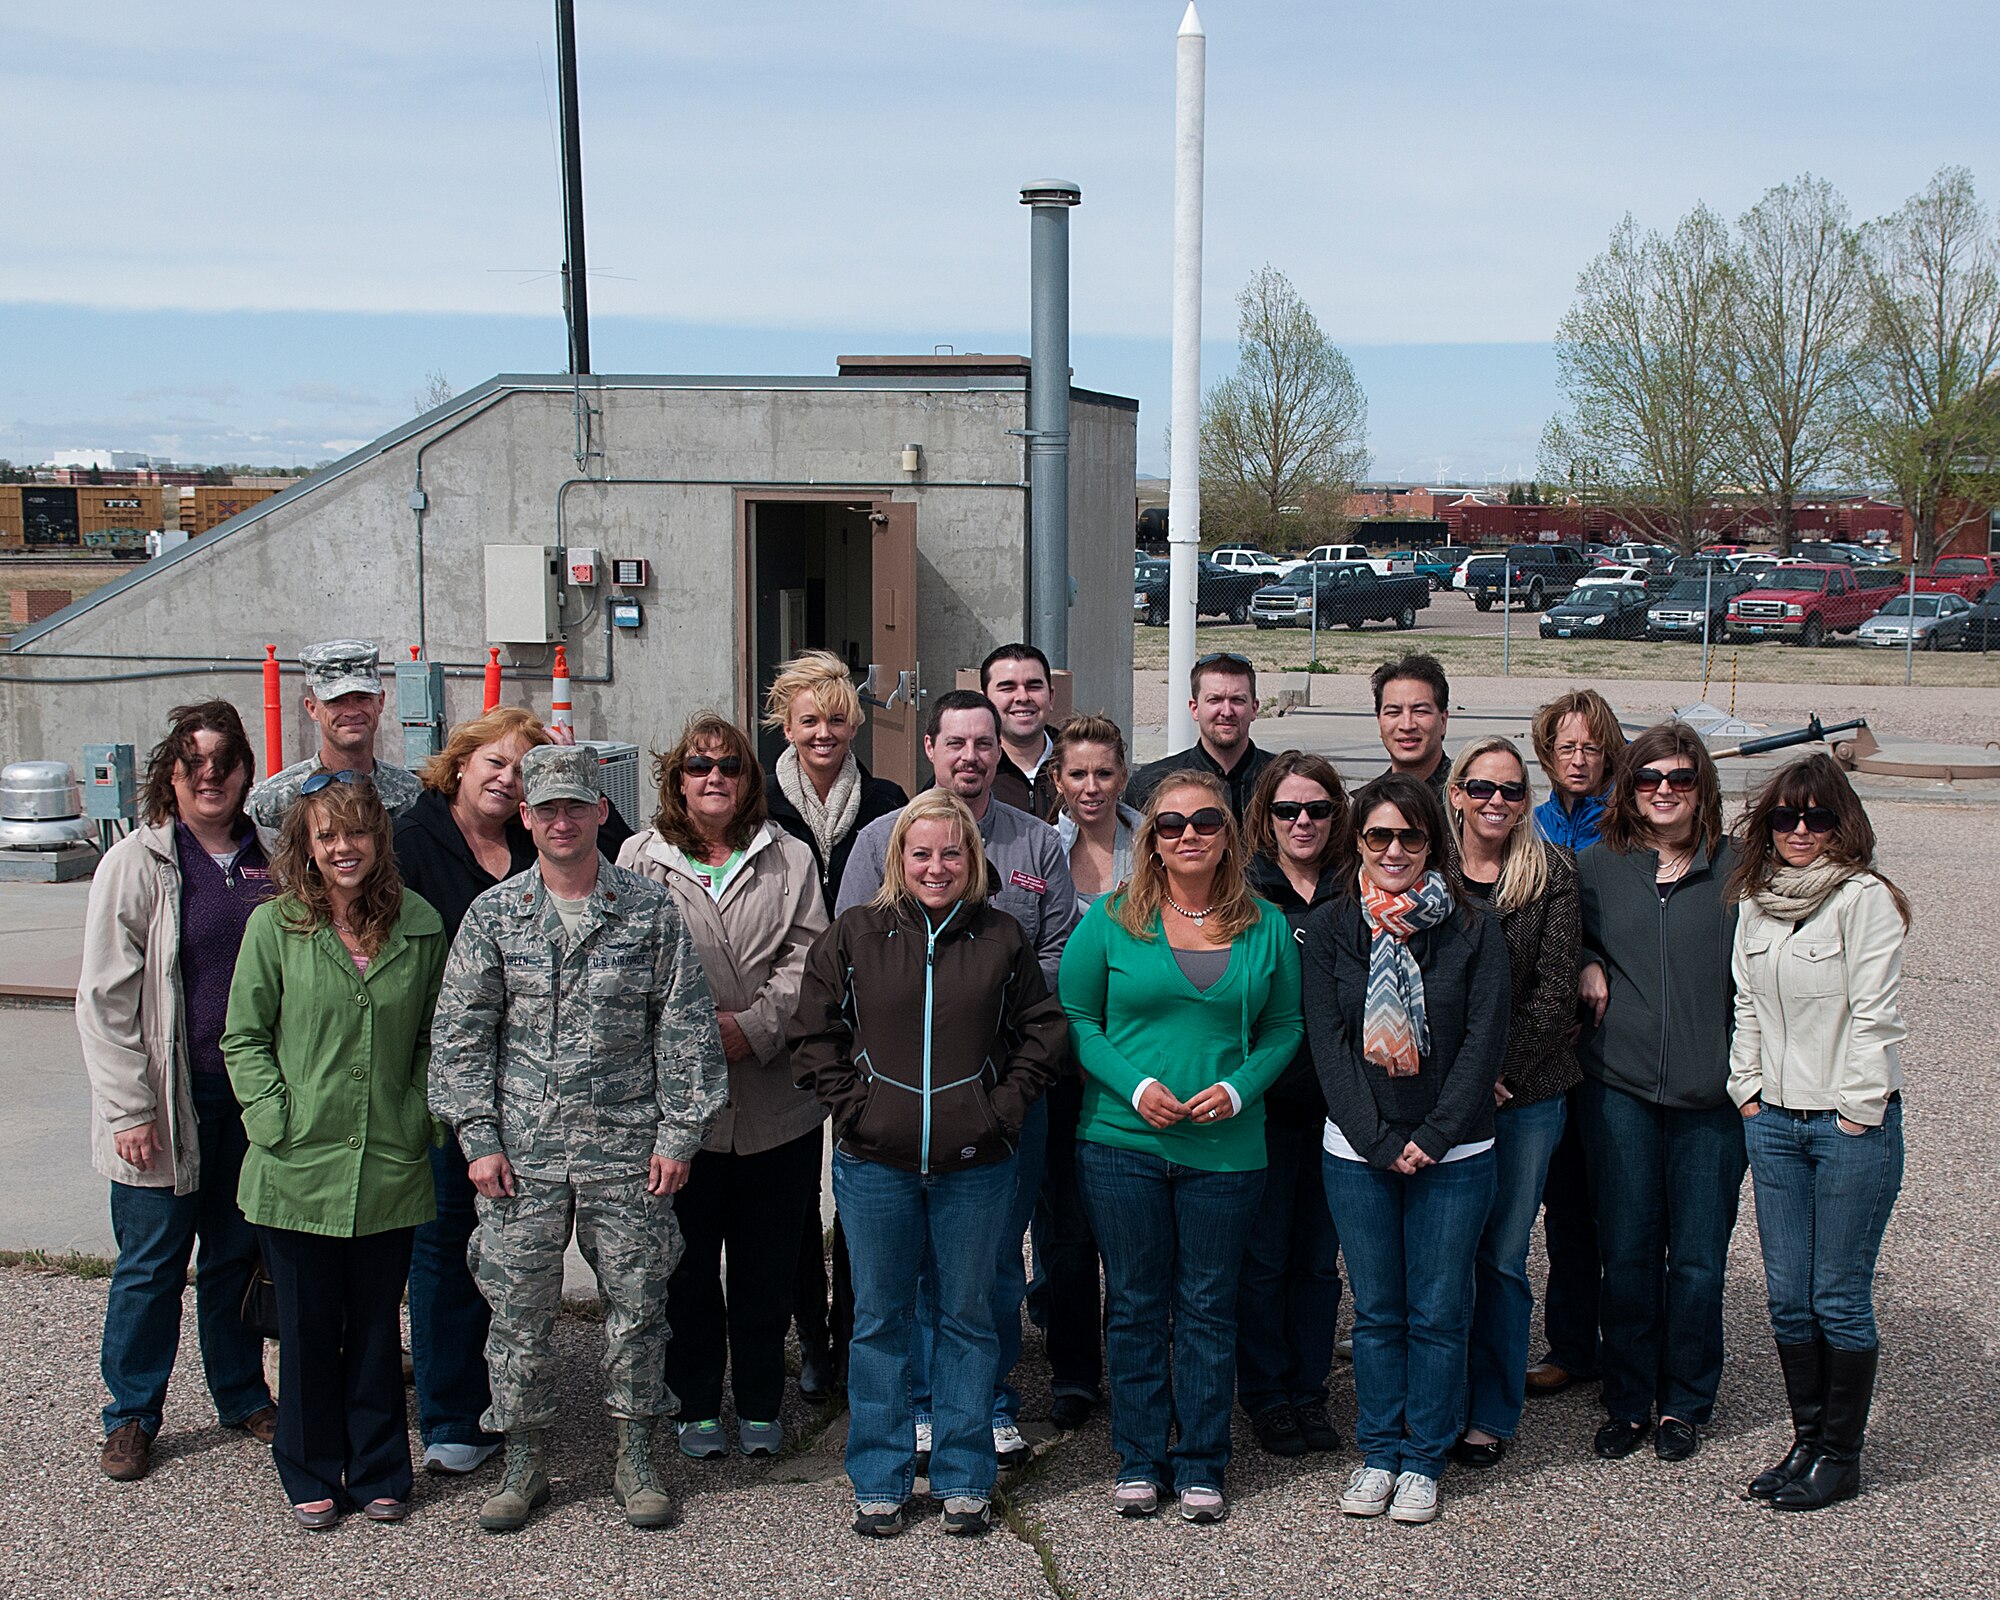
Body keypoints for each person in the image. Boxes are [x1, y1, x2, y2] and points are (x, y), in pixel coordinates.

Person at [428, 745, 729, 1533]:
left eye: (576, 807)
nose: (561, 822)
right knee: (517, 1314)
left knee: (637, 1309)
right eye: (546, 809)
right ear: (524, 818)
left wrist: (679, 1134)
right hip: (520, 1158)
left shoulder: (648, 910)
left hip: (629, 1151)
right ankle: (525, 1461)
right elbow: (461, 1036)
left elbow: (686, 1028)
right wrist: (478, 1136)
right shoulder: (494, 915)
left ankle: (636, 1457)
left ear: (601, 813)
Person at [789, 791, 1067, 1539]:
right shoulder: (854, 935)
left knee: (968, 1317)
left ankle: (964, 1475)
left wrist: (999, 1109)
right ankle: (879, 1478)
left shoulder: (1001, 937)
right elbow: (813, 1034)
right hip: (875, 1164)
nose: (937, 866)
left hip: (976, 1166)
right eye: (922, 853)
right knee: (879, 1320)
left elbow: (1043, 1034)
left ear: (971, 860)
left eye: (952, 853)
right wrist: (858, 1110)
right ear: (898, 860)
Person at [836, 689, 1077, 1469]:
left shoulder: (1038, 843)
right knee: (901, 1277)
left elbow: (1053, 959)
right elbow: (851, 967)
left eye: (984, 743)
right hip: (900, 1101)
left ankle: (988, 1407)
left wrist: (993, 1060)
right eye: (956, 744)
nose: (971, 757)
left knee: (990, 1266)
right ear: (930, 750)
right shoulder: (882, 838)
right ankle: (915, 1409)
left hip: (1004, 1092)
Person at [1061, 771, 1305, 1524]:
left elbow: (1285, 1028)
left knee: (1206, 1306)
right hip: (1121, 1143)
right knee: (1135, 1305)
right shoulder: (1110, 919)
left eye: (1204, 821)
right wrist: (1134, 1088)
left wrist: (1238, 1090)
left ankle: (1202, 1460)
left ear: (1229, 834)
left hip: (1227, 1151)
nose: (1188, 835)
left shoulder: (1264, 924)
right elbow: (1077, 1017)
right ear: (1152, 840)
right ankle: (1139, 1456)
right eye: (1171, 825)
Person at [221, 772, 448, 1528]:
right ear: (306, 848)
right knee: (311, 1330)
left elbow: (432, 1039)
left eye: (357, 832)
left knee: (379, 1328)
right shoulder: (275, 927)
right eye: (327, 835)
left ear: (380, 840)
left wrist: (417, 1114)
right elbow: (244, 1038)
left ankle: (381, 1465)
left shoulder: (418, 925)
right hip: (297, 1168)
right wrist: (273, 1120)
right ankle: (310, 1466)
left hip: (388, 1159)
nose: (343, 848)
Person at [617, 714, 828, 1462]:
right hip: (681, 1114)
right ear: (676, 779)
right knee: (687, 1269)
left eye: (729, 767)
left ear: (749, 779)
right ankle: (696, 1401)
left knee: (768, 1269)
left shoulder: (790, 857)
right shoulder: (639, 859)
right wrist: (696, 1038)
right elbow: (628, 970)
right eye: (698, 766)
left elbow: (809, 960)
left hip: (778, 1105)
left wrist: (755, 1027)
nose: (714, 778)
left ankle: (764, 1400)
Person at [79, 702, 277, 1484]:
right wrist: (129, 1108)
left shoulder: (269, 859)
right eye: (193, 760)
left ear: (242, 773)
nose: (209, 775)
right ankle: (131, 1415)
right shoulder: (138, 862)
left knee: (234, 1253)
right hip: (166, 1101)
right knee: (152, 1264)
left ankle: (238, 1394)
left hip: (248, 1100)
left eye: (224, 760)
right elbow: (103, 999)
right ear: (171, 771)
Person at [1306, 773, 1507, 1527]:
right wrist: (1379, 1139)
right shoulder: (1330, 929)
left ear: (1434, 842)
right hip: (1357, 1152)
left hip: (1454, 1155)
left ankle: (1424, 1457)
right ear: (1357, 840)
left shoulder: (1474, 927)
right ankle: (1378, 1450)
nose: (1394, 850)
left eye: (1410, 836)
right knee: (1380, 1313)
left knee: (1439, 1311)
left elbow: (1484, 1043)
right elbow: (1327, 1044)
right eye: (1378, 836)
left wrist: (1428, 1138)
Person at [1726, 755, 1908, 1511]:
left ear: (1843, 825)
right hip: (1774, 1124)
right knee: (1788, 1300)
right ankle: (1805, 1442)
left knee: (1837, 1298)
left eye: (1817, 818)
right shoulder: (1756, 900)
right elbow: (1745, 1004)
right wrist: (1748, 1092)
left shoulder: (1866, 900)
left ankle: (1841, 1455)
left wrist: (1856, 1111)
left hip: (1846, 1127)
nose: (1800, 831)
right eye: (1786, 817)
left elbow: (1876, 1016)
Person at [1575, 722, 1744, 1465]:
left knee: (1700, 1260)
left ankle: (1685, 1400)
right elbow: (1552, 938)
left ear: (1701, 785)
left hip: (1714, 1096)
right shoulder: (1596, 867)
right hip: (1622, 1090)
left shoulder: (1741, 871)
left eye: (1679, 778)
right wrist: (1584, 957)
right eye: (1649, 779)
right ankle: (1627, 1398)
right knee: (1631, 1251)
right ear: (1629, 789)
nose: (1664, 791)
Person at [761, 649, 908, 1401]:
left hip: (865, 1016)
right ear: (785, 726)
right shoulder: (759, 802)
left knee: (862, 1188)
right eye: (810, 720)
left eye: (838, 719)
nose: (825, 733)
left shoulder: (886, 799)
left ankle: (854, 1333)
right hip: (786, 1021)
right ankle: (809, 1339)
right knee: (791, 1197)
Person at [1442, 737, 1581, 1470]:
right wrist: (1463, 1079)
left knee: (1501, 1254)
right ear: (1458, 793)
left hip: (1525, 1098)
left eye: (1512, 791)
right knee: (1444, 1253)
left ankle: (1490, 1411)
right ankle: (1438, 1397)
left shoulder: (1550, 871)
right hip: (1442, 1098)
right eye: (1483, 788)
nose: (1497, 802)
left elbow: (1556, 989)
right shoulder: (1427, 871)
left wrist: (1499, 1073)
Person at [1236, 752, 1350, 1461]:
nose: (1302, 822)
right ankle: (1267, 1394)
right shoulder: (1244, 895)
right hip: (1264, 1109)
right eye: (1287, 810)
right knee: (1264, 1257)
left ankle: (1309, 1390)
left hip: (1341, 1110)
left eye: (1317, 809)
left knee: (1316, 1261)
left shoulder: (1360, 890)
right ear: (1265, 819)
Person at [1036, 713, 1141, 1430]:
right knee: (1065, 1233)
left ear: (1124, 775)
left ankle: (1137, 1365)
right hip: (1057, 1067)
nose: (1092, 786)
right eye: (1078, 774)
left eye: (1104, 772)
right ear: (1058, 780)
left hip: (1138, 1063)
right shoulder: (1039, 849)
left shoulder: (1158, 840)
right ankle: (1074, 1374)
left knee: (1134, 1234)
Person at [1524, 687, 1627, 1399]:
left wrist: (1593, 957)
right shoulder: (1531, 826)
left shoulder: (1629, 824)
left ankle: (1624, 1347)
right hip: (1547, 1046)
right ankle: (1570, 1344)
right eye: (1567, 747)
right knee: (1562, 1206)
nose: (1581, 758)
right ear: (1548, 755)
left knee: (1618, 1207)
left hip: (1613, 1040)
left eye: (1592, 746)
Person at [246, 640, 422, 828]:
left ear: (380, 702)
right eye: (336, 701)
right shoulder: (274, 802)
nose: (351, 711)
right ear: (312, 708)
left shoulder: (412, 794)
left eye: (362, 698)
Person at [1126, 653, 1273, 819]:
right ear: (1194, 708)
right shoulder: (1149, 785)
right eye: (1214, 700)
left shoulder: (1282, 781)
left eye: (1237, 700)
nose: (1226, 712)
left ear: (1254, 708)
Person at [983, 642, 1061, 819]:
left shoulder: (1079, 762)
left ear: (1051, 697)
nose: (1022, 697)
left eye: (1034, 686)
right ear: (984, 701)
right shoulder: (970, 769)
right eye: (1007, 688)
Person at [1371, 653, 1451, 801]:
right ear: (1379, 721)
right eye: (1394, 712)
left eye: (1420, 711)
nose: (1407, 725)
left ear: (1443, 721)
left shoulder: (1469, 801)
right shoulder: (1367, 803)